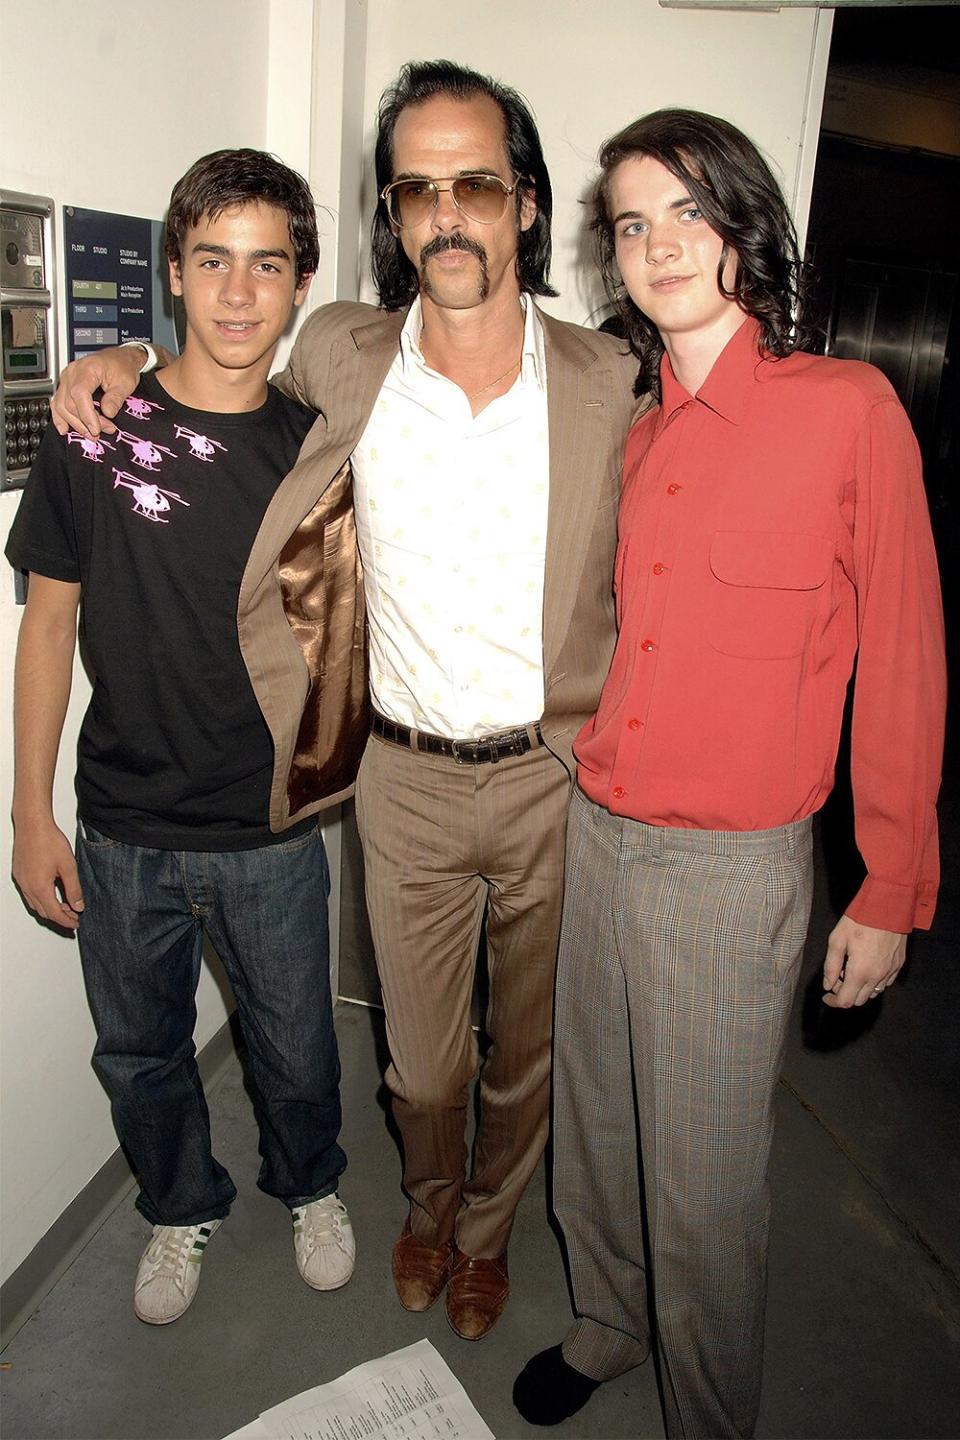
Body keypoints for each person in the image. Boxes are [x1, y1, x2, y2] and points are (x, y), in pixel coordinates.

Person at [51, 61, 639, 1340]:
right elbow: (229, 335)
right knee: (421, 1064)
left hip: (552, 773)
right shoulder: (347, 352)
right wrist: (123, 347)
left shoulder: (605, 380)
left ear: (525, 203)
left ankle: (485, 1234)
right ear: (392, 213)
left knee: (522, 1050)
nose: (445, 214)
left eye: (473, 183)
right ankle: (427, 1205)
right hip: (405, 780)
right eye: (417, 189)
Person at [513, 109, 946, 1436]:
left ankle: (710, 1415)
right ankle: (608, 1321)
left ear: (747, 225)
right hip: (600, 828)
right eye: (633, 223)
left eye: (687, 212)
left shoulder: (848, 410)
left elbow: (908, 654)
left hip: (729, 864)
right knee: (593, 1128)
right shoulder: (639, 432)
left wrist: (890, 884)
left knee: (703, 1185)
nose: (658, 245)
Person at [10, 149, 357, 1327]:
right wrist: (30, 814)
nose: (239, 291)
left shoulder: (318, 455)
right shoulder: (94, 430)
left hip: (268, 829)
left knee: (298, 1054)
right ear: (173, 271)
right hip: (121, 829)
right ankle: (177, 1206)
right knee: (141, 1053)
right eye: (213, 259)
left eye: (268, 264)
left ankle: (311, 1184)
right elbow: (48, 626)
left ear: (300, 284)